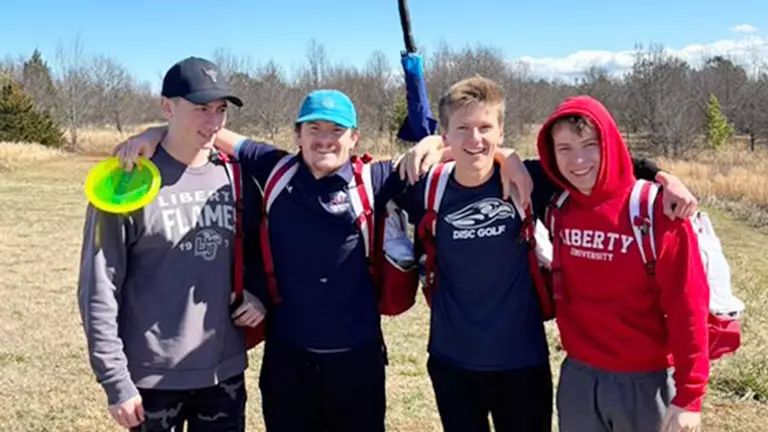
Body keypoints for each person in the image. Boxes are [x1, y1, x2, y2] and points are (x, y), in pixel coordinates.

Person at [112, 86, 534, 431]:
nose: (325, 138)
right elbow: (211, 133)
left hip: (358, 360)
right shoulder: (274, 170)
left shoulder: (378, 180)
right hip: (288, 360)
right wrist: (156, 132)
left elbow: (468, 150)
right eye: (314, 127)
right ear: (297, 135)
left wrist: (506, 155)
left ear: (354, 139)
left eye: (338, 129)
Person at [394, 76, 698, 432]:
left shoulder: (531, 179)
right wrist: (428, 143)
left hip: (522, 362)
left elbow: (604, 160)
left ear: (501, 132)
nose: (474, 139)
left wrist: (664, 175)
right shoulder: (424, 186)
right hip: (451, 361)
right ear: (446, 133)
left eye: (485, 127)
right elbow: (355, 175)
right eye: (462, 128)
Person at [77, 57, 267, 431]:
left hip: (223, 375)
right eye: (200, 108)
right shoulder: (125, 183)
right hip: (151, 381)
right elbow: (98, 286)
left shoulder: (236, 176)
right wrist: (116, 380)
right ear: (167, 106)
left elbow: (261, 255)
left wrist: (257, 294)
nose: (213, 121)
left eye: (221, 109)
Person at [536, 95, 709, 432]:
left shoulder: (655, 210)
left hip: (647, 381)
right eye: (565, 148)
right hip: (578, 379)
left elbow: (688, 305)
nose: (579, 160)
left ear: (611, 144)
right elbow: (480, 158)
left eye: (590, 144)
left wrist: (690, 395)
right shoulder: (559, 207)